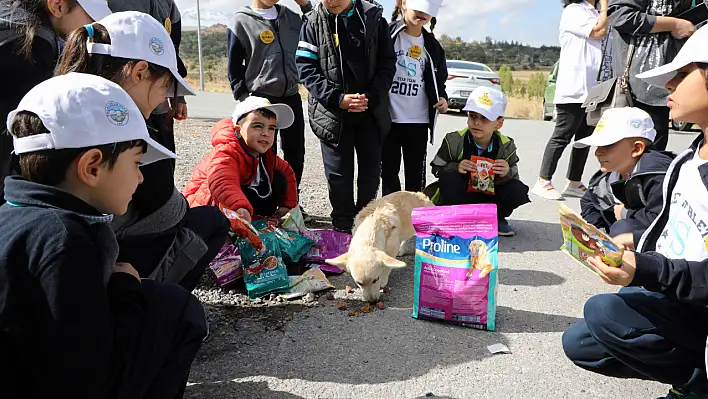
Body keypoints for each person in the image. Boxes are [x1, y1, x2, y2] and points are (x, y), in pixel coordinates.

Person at [0, 73, 207, 398]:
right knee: (175, 307)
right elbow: (88, 378)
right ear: (92, 166)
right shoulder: (65, 240)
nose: (140, 178)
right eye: (137, 162)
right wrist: (125, 291)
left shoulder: (13, 215)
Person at [562, 25, 708, 399]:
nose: (669, 86)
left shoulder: (661, 167)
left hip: (698, 302)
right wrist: (629, 242)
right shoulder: (688, 160)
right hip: (677, 292)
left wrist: (644, 268)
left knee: (603, 312)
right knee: (582, 342)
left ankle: (695, 385)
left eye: (682, 74)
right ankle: (691, 378)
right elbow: (662, 227)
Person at [56, 11, 230, 292]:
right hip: (105, 266)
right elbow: (157, 202)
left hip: (83, 260)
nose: (166, 98)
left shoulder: (66, 101)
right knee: (210, 223)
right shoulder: (124, 127)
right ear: (139, 72)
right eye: (165, 86)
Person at [297, 0, 396, 234]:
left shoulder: (374, 19)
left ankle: (365, 227)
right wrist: (338, 99)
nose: (331, 1)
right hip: (332, 115)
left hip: (370, 113)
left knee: (371, 174)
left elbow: (388, 63)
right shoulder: (312, 22)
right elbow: (306, 68)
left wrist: (371, 97)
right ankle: (341, 227)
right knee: (338, 176)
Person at [0, 0, 112, 204]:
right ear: (57, 6)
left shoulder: (10, 19)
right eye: (90, 18)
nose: (92, 27)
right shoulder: (32, 41)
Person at [227, 0, 312, 220]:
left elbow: (317, 27)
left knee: (296, 153)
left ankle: (291, 204)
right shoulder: (241, 20)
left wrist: (305, 4)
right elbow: (234, 66)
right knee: (264, 153)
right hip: (261, 98)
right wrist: (246, 101)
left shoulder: (292, 18)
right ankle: (263, 203)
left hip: (291, 95)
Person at [424, 87, 530, 236]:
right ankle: (458, 217)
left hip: (490, 196)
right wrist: (456, 166)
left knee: (518, 189)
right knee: (450, 179)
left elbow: (515, 175)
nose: (477, 123)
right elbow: (436, 168)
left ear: (499, 123)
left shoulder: (506, 145)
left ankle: (496, 217)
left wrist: (507, 171)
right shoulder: (453, 140)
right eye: (473, 116)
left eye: (485, 118)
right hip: (462, 194)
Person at [532, 0, 610, 200]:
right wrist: (605, 6)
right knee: (563, 135)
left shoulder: (595, 11)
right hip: (574, 87)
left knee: (585, 137)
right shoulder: (574, 10)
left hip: (593, 89)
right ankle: (542, 181)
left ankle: (574, 182)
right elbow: (599, 31)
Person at [182, 96, 299, 226]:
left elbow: (288, 173)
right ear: (239, 130)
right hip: (204, 208)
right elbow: (223, 182)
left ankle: (257, 219)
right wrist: (239, 208)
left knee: (279, 177)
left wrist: (288, 204)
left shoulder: (266, 155)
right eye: (258, 126)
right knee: (227, 189)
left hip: (237, 202)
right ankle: (228, 227)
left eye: (271, 128)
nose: (266, 133)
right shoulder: (227, 152)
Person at [108, 0, 190, 166]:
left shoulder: (167, 3)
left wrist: (178, 96)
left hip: (159, 106)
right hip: (122, 106)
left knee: (162, 168)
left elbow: (173, 51)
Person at [578, 107, 674, 249]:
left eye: (607, 145)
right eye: (598, 146)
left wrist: (625, 213)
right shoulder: (608, 176)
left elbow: (663, 219)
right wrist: (600, 234)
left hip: (664, 243)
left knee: (622, 227)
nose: (597, 152)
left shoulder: (658, 176)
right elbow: (589, 201)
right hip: (630, 232)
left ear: (636, 149)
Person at [607, 0, 696, 152]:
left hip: (672, 82)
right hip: (639, 86)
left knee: (654, 154)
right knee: (631, 154)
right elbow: (620, 16)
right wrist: (674, 24)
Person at [381, 0, 448, 196]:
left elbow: (439, 80)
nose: (421, 14)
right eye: (417, 7)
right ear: (403, 3)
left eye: (427, 10)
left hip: (418, 121)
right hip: (389, 119)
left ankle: (413, 218)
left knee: (416, 175)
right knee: (388, 172)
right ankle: (391, 216)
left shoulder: (433, 46)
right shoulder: (386, 35)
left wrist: (442, 98)